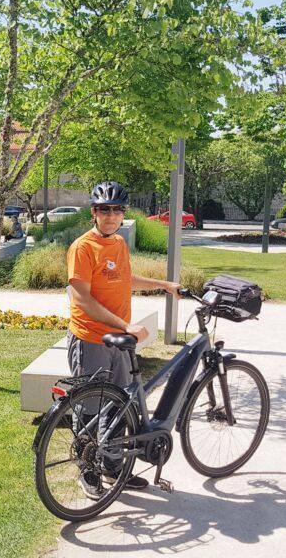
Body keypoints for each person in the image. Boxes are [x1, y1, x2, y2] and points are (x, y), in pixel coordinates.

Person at [66, 181, 180, 498]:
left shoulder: (118, 243)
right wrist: (125, 325)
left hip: (119, 340)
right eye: (105, 209)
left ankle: (113, 467)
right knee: (89, 408)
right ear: (94, 212)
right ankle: (88, 471)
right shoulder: (83, 248)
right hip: (91, 340)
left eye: (117, 210)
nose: (111, 215)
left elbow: (124, 280)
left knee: (119, 406)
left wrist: (163, 284)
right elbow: (83, 300)